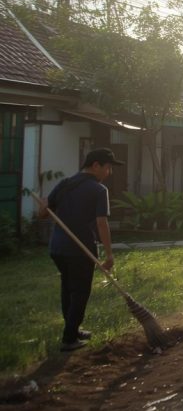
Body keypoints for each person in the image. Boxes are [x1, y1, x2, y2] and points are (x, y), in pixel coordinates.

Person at [43, 148, 123, 351]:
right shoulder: (98, 190)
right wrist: (109, 254)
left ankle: (73, 328)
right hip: (80, 250)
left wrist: (49, 208)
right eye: (108, 167)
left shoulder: (64, 184)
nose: (109, 173)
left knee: (67, 289)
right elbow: (101, 223)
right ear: (96, 165)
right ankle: (69, 338)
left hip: (57, 248)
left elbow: (42, 212)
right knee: (79, 292)